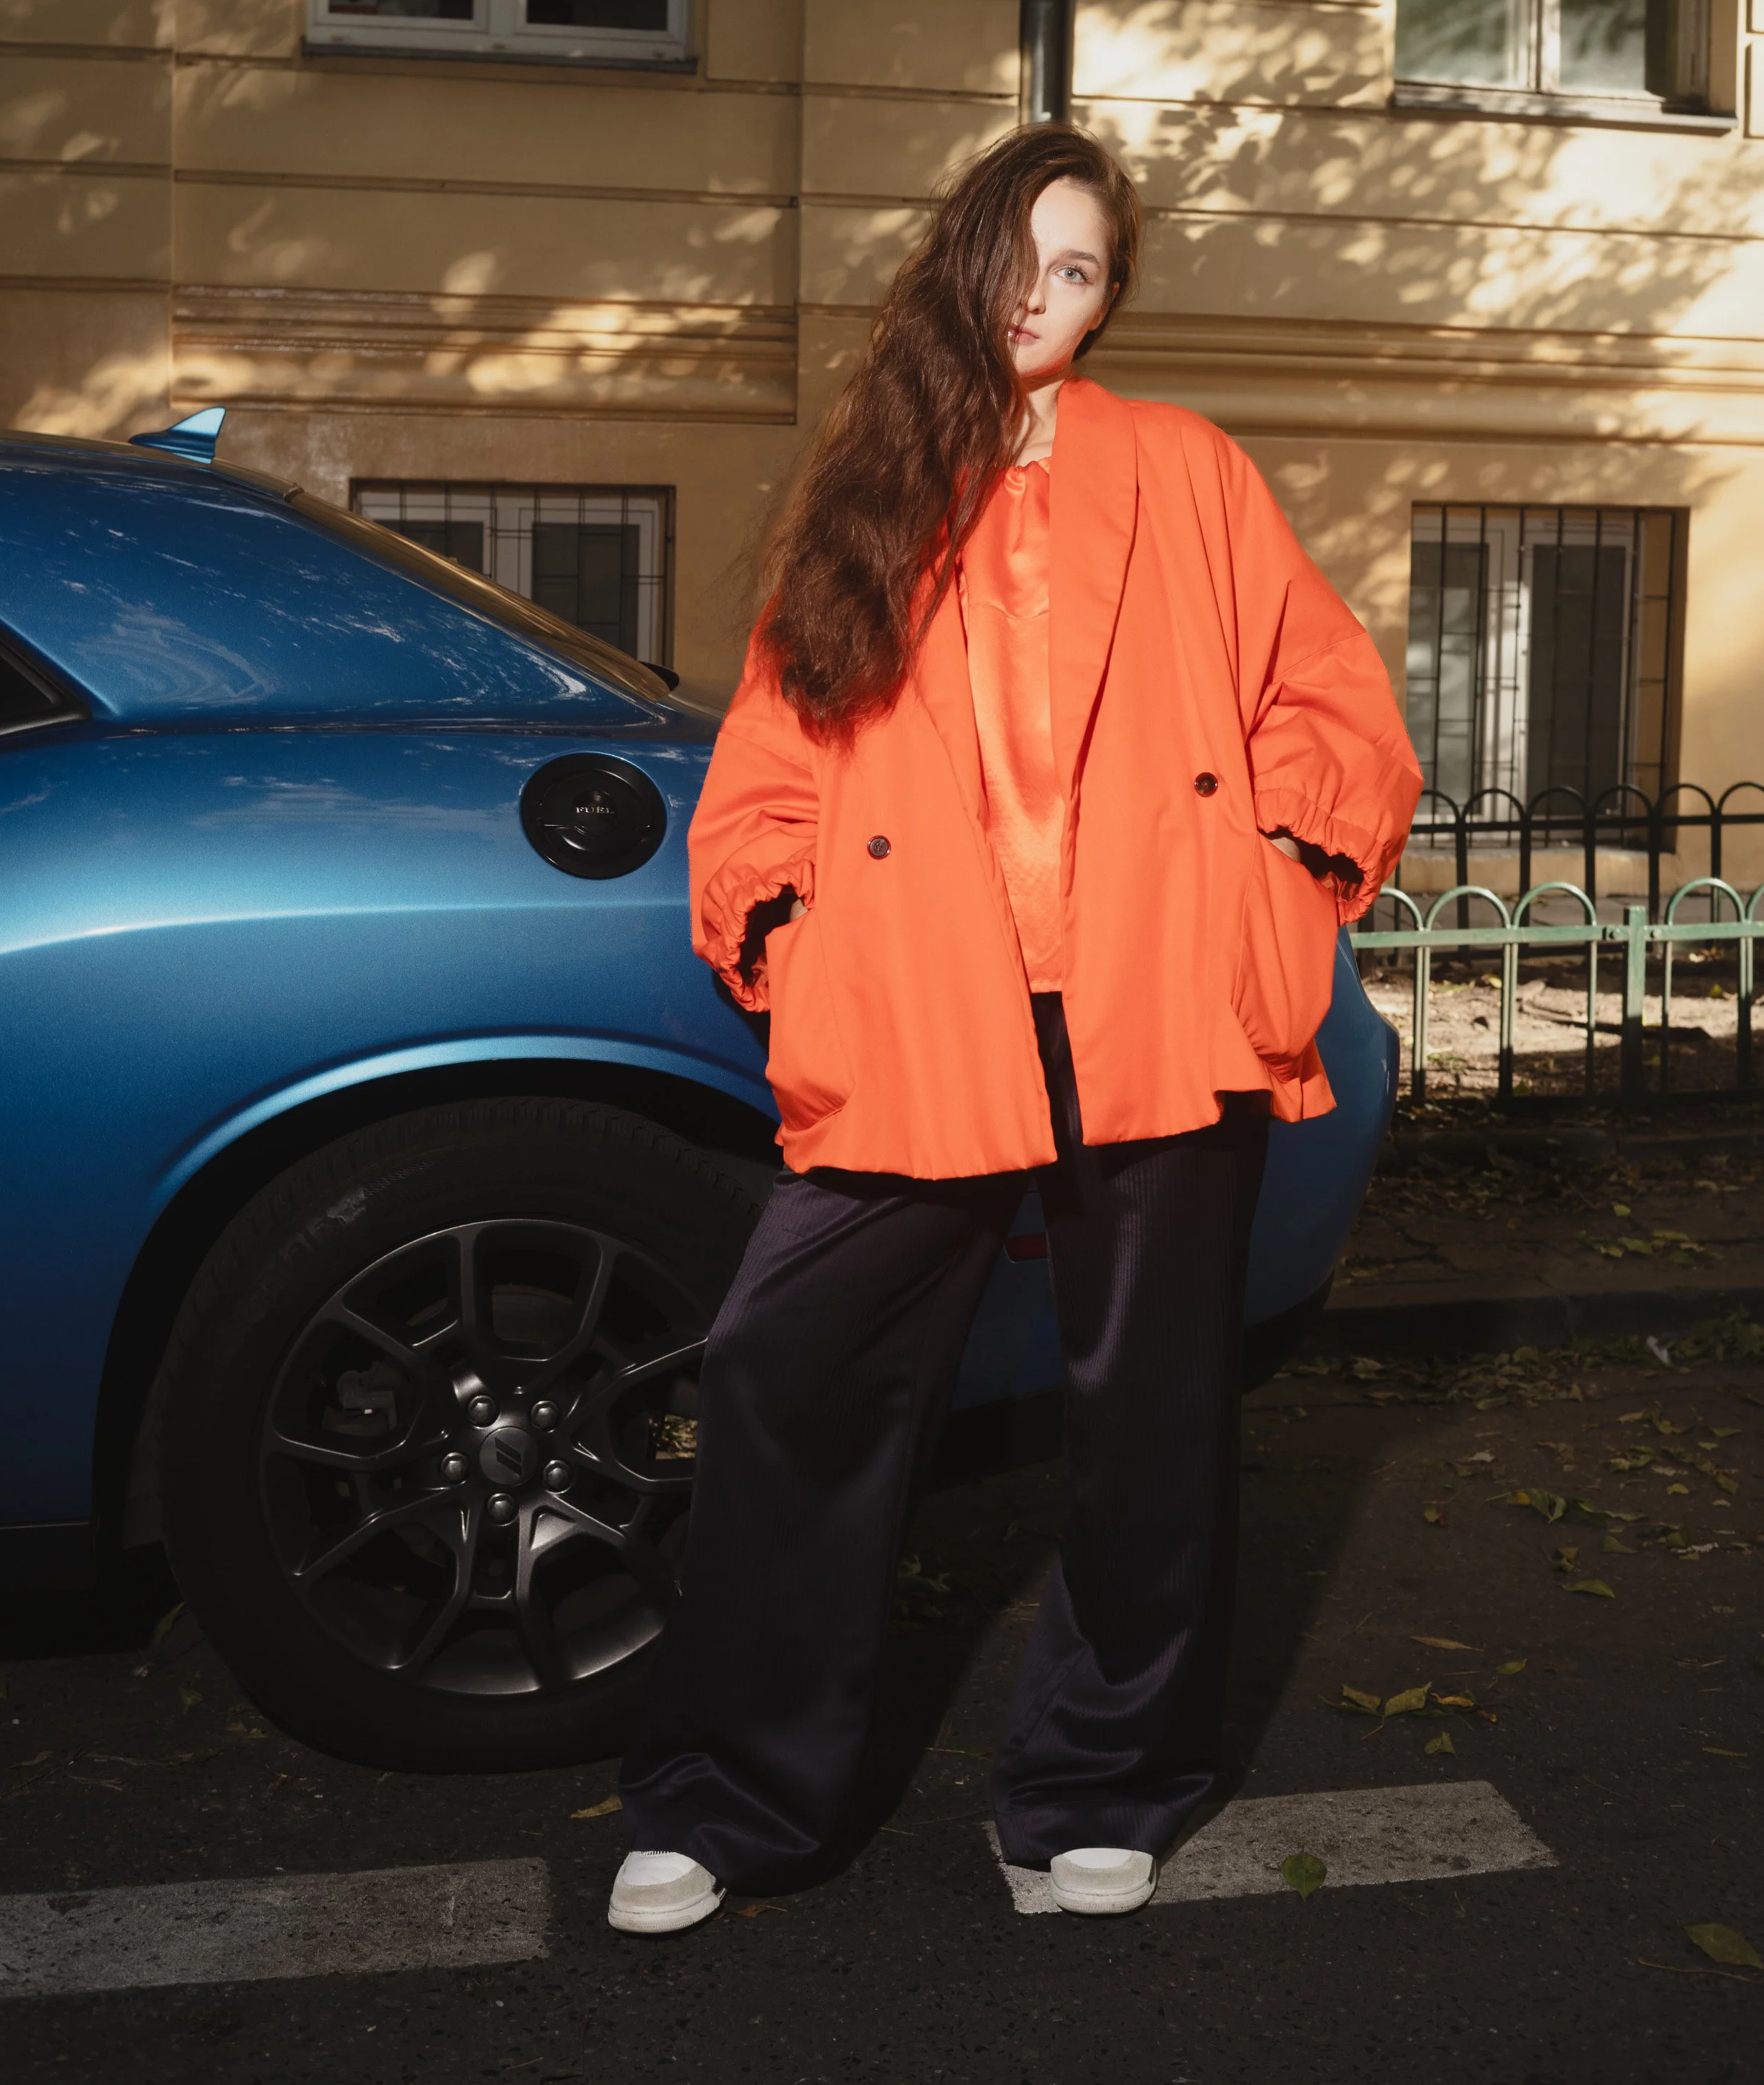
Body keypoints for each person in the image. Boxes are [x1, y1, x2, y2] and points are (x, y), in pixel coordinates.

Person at [608, 124, 1421, 1933]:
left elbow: (1331, 702)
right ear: (961, 262)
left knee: (1151, 1411)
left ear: (1107, 296)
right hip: (926, 1003)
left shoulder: (1186, 468)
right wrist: (796, 925)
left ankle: (1100, 1783)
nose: (1044, 301)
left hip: (1151, 1001)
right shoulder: (871, 487)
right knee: (784, 1368)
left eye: (1082, 273)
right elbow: (768, 762)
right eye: (1021, 261)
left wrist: (1267, 871)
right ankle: (735, 1792)